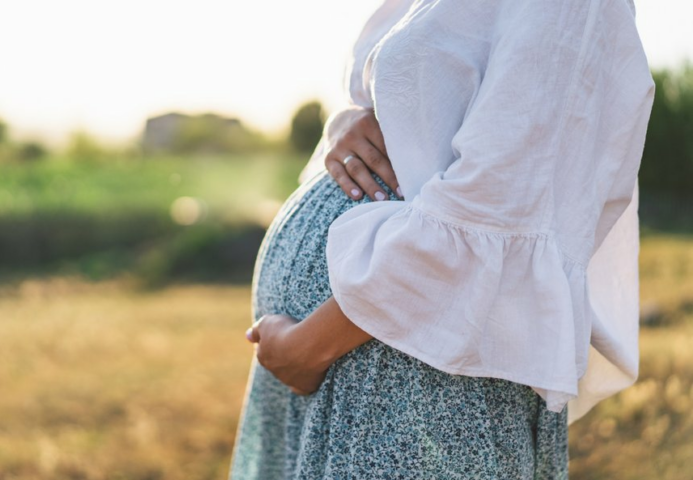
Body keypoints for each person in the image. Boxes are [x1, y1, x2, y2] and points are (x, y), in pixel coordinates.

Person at [229, 0, 654, 478]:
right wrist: (347, 123)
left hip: (412, 386)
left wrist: (308, 347)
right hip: (357, 370)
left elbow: (503, 204)